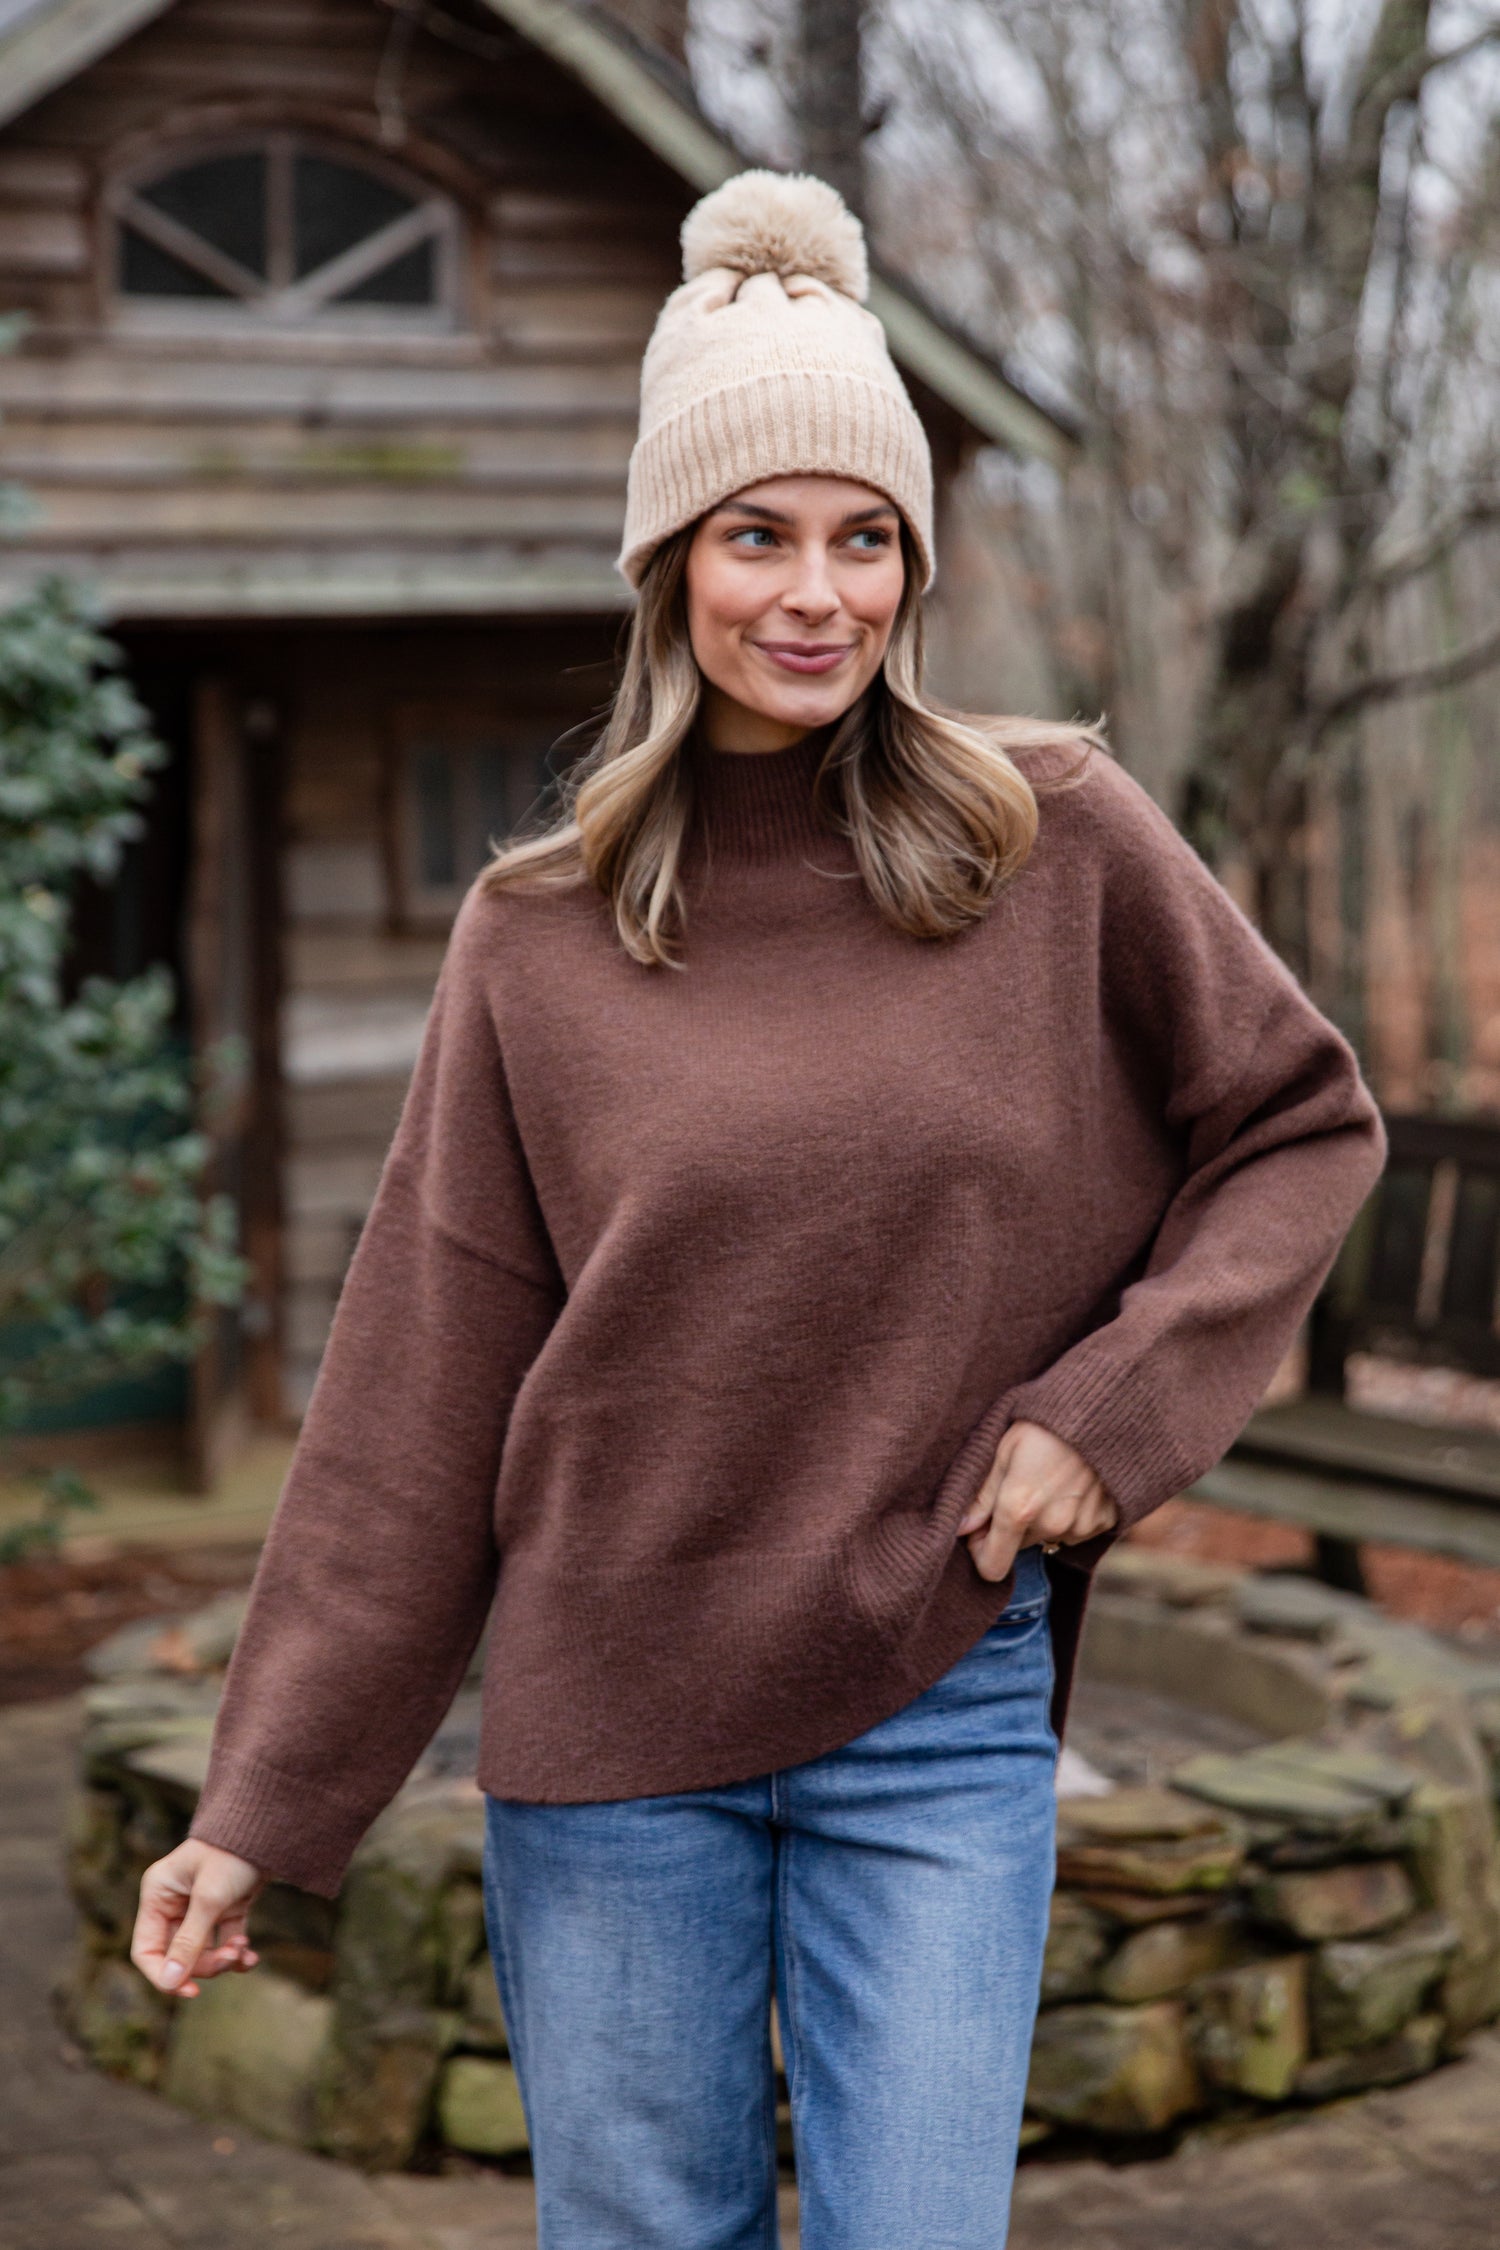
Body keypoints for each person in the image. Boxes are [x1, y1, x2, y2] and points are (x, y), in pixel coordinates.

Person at [131, 170, 1386, 2247]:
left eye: (863, 536)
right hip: (610, 1721)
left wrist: (1115, 1411)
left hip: (934, 1692)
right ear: (668, 567)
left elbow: (1298, 1121)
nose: (818, 593)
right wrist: (263, 1805)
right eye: (756, 535)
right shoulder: (532, 940)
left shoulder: (1051, 839)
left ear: (912, 562)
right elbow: (418, 1396)